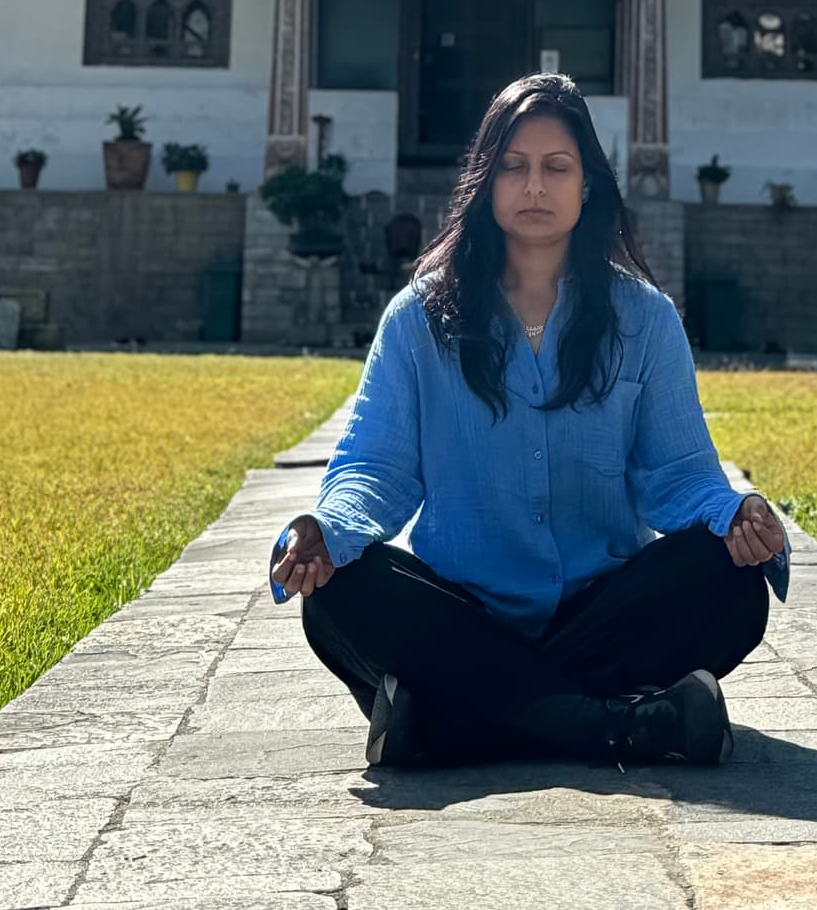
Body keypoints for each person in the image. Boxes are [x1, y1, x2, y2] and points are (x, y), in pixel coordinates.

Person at [268, 72, 787, 770]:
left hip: (603, 612)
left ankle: (453, 723)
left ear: (588, 185)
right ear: (485, 184)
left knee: (725, 581)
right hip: (465, 615)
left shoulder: (646, 320)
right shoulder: (418, 320)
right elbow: (376, 468)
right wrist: (327, 530)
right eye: (513, 167)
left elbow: (677, 474)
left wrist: (737, 514)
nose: (535, 187)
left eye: (556, 167)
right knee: (340, 593)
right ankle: (625, 724)